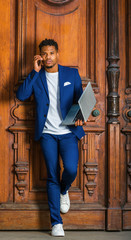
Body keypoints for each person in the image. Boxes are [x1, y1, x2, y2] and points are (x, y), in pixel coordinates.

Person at [16, 38, 85, 236]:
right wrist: (34, 71)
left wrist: (81, 113)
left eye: (51, 53)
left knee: (71, 169)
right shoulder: (36, 76)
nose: (48, 57)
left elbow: (81, 98)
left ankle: (64, 190)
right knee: (52, 174)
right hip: (47, 133)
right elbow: (21, 95)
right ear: (40, 56)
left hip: (68, 132)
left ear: (57, 53)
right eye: (44, 54)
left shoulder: (71, 73)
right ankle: (56, 223)